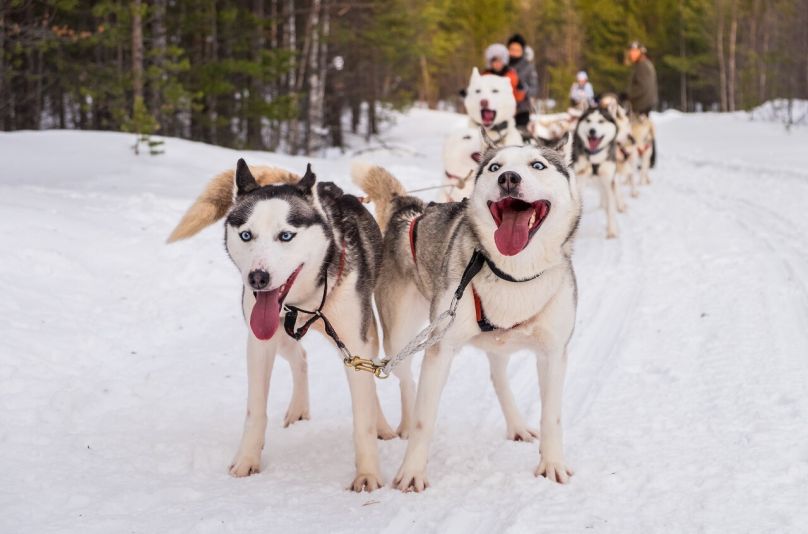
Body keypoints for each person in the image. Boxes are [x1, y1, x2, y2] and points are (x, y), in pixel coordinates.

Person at [506, 34, 539, 129]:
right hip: (503, 109)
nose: (514, 53)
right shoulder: (502, 66)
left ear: (522, 51)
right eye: (512, 49)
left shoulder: (528, 67)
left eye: (517, 50)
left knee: (520, 139)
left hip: (521, 110)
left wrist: (524, 88)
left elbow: (534, 89)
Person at [484, 43, 526, 112]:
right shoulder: (485, 75)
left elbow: (518, 97)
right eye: (495, 61)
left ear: (504, 61)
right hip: (489, 109)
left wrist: (520, 90)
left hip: (508, 109)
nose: (497, 63)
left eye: (499, 60)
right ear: (490, 62)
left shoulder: (511, 75)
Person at [627, 41, 658, 115]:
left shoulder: (642, 66)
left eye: (634, 51)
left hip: (642, 106)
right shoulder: (643, 64)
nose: (631, 53)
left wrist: (628, 94)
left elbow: (643, 86)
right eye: (630, 51)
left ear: (641, 52)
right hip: (643, 105)